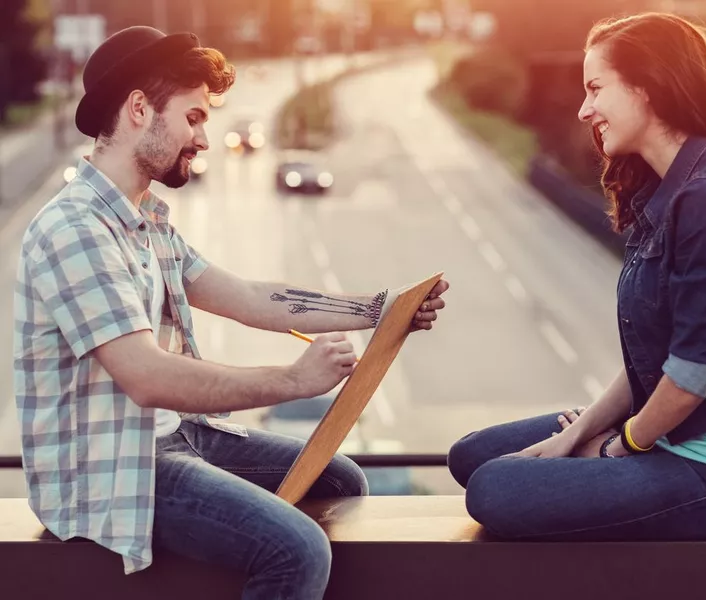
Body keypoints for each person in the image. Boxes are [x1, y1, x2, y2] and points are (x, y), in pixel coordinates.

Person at [13, 26, 448, 599]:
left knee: (339, 479)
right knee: (295, 549)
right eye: (193, 118)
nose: (203, 138)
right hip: (110, 468)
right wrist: (293, 381)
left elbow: (246, 297)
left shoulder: (147, 225)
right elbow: (146, 377)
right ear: (140, 109)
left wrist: (378, 308)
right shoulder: (74, 230)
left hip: (169, 439)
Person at [447, 12, 706, 541]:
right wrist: (581, 432)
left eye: (596, 88)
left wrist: (620, 446)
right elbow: (653, 364)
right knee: (472, 456)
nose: (586, 109)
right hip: (674, 438)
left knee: (494, 489)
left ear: (647, 86)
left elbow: (695, 376)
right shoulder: (667, 193)